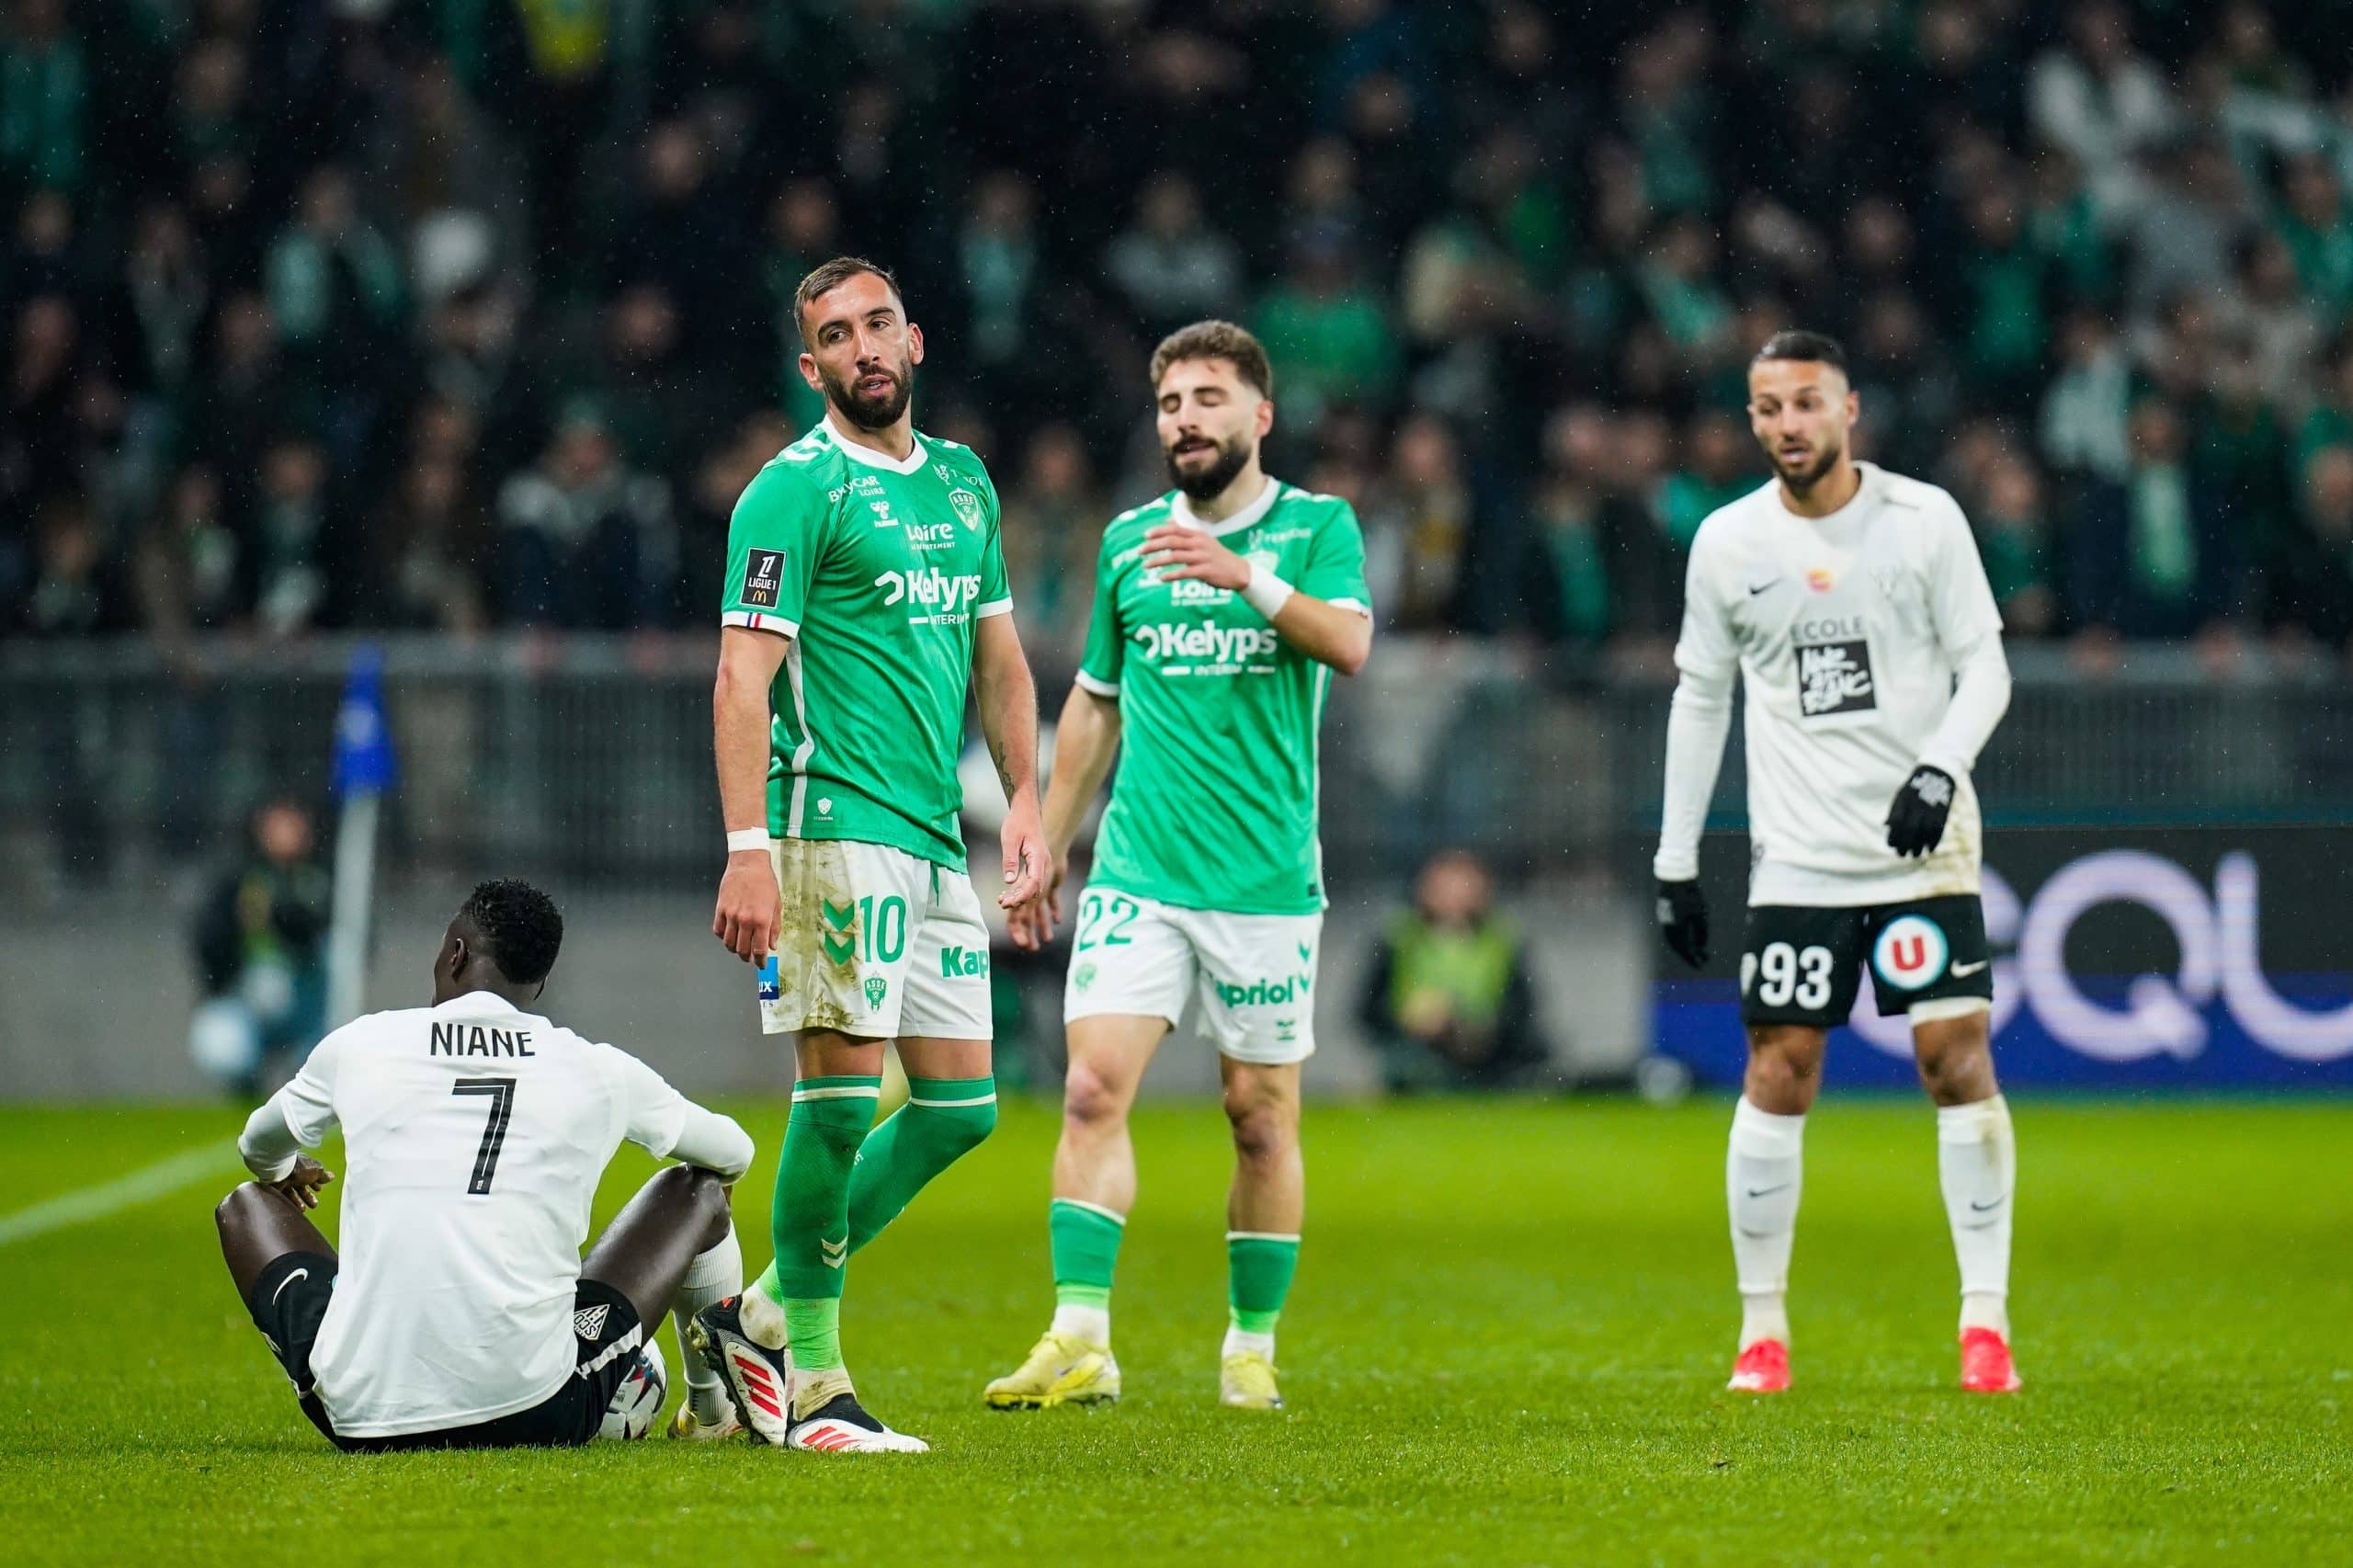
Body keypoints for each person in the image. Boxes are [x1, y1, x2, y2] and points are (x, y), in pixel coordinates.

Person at [985, 320, 1373, 1414]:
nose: (1185, 420)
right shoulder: (1127, 542)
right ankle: (1079, 1337)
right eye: (1169, 404)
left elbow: (1348, 644)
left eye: (1208, 398)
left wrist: (1240, 575)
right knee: (1091, 1086)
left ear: (1260, 414)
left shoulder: (1314, 527)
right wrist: (1049, 842)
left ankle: (1250, 1343)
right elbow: (1094, 708)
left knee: (1257, 1112)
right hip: (1139, 873)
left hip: (1262, 883)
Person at [699, 256, 1049, 1454]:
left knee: (961, 1109)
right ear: (812, 367)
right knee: (840, 1101)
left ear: (916, 339)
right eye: (836, 334)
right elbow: (742, 674)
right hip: (826, 827)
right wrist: (749, 847)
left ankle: (752, 1313)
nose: (864, 347)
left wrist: (1031, 814)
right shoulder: (792, 491)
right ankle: (815, 1383)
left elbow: (1001, 662)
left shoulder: (963, 482)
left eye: (879, 323)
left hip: (934, 838)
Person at [1653, 330, 2018, 1397]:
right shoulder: (1726, 542)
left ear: (1849, 408)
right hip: (1800, 865)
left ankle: (1983, 1324)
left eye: (1805, 403)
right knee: (1779, 1071)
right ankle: (1761, 1332)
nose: (1786, 426)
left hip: (1923, 852)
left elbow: (1985, 666)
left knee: (1954, 1057)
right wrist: (1677, 858)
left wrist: (1940, 768)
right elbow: (1700, 697)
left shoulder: (1922, 519)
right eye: (1766, 408)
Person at [212, 879, 756, 1450]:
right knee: (697, 1191)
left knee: (246, 1206)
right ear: (539, 984)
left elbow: (257, 1145)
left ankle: (353, 1366)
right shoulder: (596, 1069)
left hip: (360, 1416)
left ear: (455, 953)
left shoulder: (363, 1044)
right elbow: (734, 1153)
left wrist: (280, 1172)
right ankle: (711, 1412)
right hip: (535, 1410)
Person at [1358, 850, 1549, 1094]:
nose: (1454, 896)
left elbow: (1524, 1010)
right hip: (1417, 1055)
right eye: (1445, 886)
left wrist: (1479, 1028)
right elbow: (1366, 1010)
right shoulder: (1398, 938)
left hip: (1490, 1059)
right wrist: (1408, 1018)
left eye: (1463, 886)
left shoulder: (1504, 939)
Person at [189, 798, 332, 1096]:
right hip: (248, 1001)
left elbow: (336, 939)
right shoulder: (238, 881)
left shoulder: (324, 881)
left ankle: (310, 1079)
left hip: (309, 1002)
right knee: (221, 1043)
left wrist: (281, 917)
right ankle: (247, 1083)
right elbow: (208, 944)